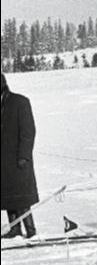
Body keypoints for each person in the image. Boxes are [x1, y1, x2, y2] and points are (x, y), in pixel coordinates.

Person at [1, 72, 39, 238]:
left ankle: (30, 230)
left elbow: (28, 131)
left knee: (22, 197)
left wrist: (24, 156)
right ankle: (15, 229)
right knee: (8, 196)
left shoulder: (19, 102)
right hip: (3, 160)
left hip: (18, 159)